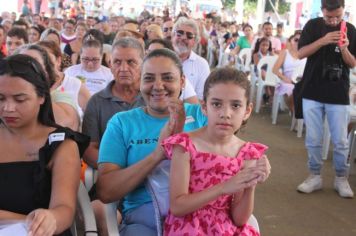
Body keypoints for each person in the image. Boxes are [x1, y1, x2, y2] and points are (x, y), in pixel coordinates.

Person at [96, 49, 208, 236]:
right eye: (148, 78)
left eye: (167, 78)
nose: (158, 86)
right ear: (140, 82)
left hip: (201, 215)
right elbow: (106, 191)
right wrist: (159, 154)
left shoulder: (202, 116)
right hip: (144, 220)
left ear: (182, 81)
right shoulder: (122, 123)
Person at [162, 67, 271, 236]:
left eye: (235, 105)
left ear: (247, 111)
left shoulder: (247, 153)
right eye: (216, 104)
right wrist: (224, 188)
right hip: (188, 227)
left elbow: (240, 219)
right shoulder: (185, 145)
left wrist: (251, 183)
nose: (225, 114)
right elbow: (177, 207)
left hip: (227, 229)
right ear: (204, 107)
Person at [0, 54, 89, 236]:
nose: (8, 108)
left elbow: (64, 209)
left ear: (42, 97)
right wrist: (26, 220)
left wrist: (50, 218)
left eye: (20, 99)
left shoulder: (60, 144)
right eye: (1, 98)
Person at [296, 0, 356, 198]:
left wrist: (345, 48)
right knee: (313, 138)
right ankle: (314, 175)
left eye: (338, 16)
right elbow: (300, 53)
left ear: (343, 11)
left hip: (338, 92)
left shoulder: (351, 29)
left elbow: (353, 63)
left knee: (340, 140)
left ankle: (341, 177)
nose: (334, 20)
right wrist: (323, 40)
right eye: (329, 17)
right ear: (322, 11)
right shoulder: (313, 26)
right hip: (312, 88)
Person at [146, 38, 199, 104]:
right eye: (149, 53)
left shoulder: (178, 79)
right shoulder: (138, 76)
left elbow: (194, 106)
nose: (158, 87)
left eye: (158, 54)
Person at [172, 17, 210, 100]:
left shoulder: (202, 64)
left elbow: (201, 98)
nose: (183, 38)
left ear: (195, 42)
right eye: (179, 33)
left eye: (189, 36)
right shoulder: (162, 59)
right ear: (173, 36)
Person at [273, 30, 306, 112]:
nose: (298, 42)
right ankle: (296, 114)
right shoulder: (285, 53)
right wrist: (284, 78)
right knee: (292, 90)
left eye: (301, 40)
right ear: (291, 40)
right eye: (296, 40)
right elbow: (275, 70)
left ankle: (297, 116)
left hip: (301, 81)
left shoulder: (307, 53)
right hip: (287, 81)